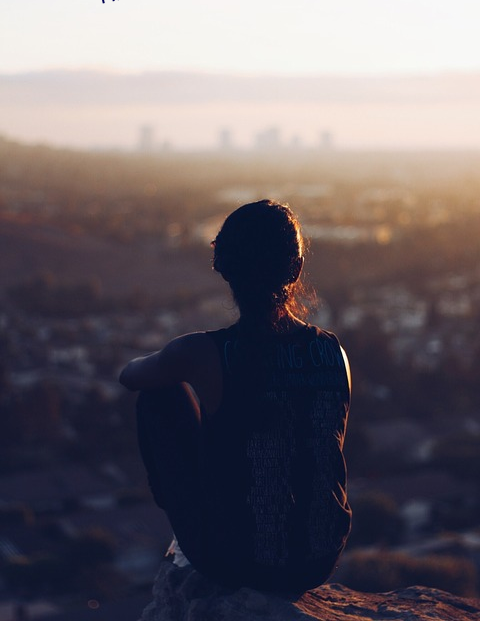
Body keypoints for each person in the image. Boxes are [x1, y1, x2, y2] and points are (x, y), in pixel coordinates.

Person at [119, 199, 351, 595]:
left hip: (234, 561)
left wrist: (177, 360)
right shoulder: (334, 352)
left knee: (158, 396)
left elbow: (130, 376)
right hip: (318, 560)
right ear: (295, 269)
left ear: (224, 268)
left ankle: (189, 531)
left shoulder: (201, 353)